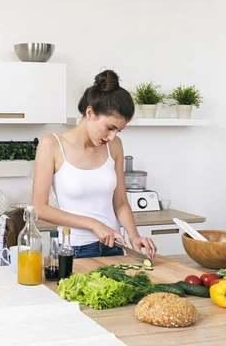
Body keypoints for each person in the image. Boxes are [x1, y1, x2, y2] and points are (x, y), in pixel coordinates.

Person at [32, 69, 157, 259]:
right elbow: (40, 208)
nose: (112, 136)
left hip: (114, 247)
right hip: (72, 250)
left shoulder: (114, 146)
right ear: (90, 112)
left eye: (118, 131)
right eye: (110, 128)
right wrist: (93, 224)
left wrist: (134, 236)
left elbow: (121, 202)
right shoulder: (51, 145)